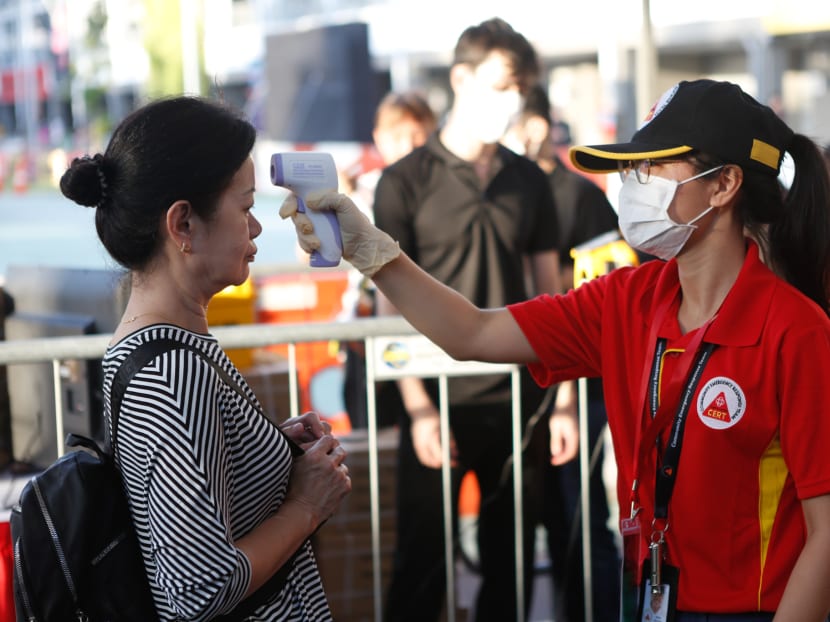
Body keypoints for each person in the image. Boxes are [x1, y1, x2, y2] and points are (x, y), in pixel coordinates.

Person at [282, 78, 830, 620]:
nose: (631, 184)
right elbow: (470, 332)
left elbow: (825, 534)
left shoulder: (796, 331)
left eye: (652, 167)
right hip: (649, 598)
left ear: (724, 184)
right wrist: (368, 248)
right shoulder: (627, 299)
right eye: (630, 169)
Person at [60, 96, 352, 621]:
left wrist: (265, 450)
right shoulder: (172, 372)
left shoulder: (162, 348)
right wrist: (306, 507)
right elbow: (197, 592)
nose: (257, 228)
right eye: (245, 208)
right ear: (183, 226)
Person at [366, 17, 575, 622]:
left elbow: (550, 294)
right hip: (433, 398)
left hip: (518, 396)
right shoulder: (405, 181)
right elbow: (388, 304)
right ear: (461, 78)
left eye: (521, 88)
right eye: (502, 84)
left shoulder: (529, 181)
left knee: (508, 565)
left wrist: (561, 403)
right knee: (422, 565)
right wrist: (419, 408)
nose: (512, 100)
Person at [507, 83, 621, 622]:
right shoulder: (514, 189)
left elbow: (596, 298)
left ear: (533, 128)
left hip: (580, 381)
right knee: (548, 513)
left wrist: (568, 402)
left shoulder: (579, 197)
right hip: (532, 376)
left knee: (581, 513)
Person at [340, 90, 437, 430]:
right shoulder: (357, 193)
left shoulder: (441, 191)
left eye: (417, 134)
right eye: (398, 136)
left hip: (428, 326)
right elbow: (308, 251)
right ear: (379, 138)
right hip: (366, 335)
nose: (408, 145)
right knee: (371, 434)